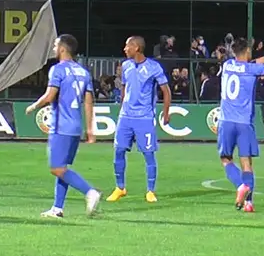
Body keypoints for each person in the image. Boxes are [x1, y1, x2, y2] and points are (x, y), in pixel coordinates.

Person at [24, 34, 102, 218]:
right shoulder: (84, 72)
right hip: (75, 127)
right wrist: (90, 130)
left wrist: (33, 106)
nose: (53, 48)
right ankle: (57, 208)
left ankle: (90, 191)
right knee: (63, 168)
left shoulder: (57, 70)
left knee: (57, 169)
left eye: (55, 45)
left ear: (62, 49)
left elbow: (50, 96)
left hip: (61, 126)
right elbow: (88, 103)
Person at [217, 31, 264, 212]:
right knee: (247, 163)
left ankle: (241, 188)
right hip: (244, 123)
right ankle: (248, 201)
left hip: (226, 121)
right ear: (248, 51)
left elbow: (255, 62)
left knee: (226, 159)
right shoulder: (251, 70)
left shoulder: (227, 65)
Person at [107, 35, 171, 203]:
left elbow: (166, 91)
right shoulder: (126, 66)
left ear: (136, 48)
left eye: (127, 46)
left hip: (144, 117)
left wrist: (166, 113)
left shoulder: (153, 67)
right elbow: (124, 87)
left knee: (148, 154)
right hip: (125, 117)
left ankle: (150, 191)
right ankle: (120, 188)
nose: (124, 49)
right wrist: (122, 107)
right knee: (119, 151)